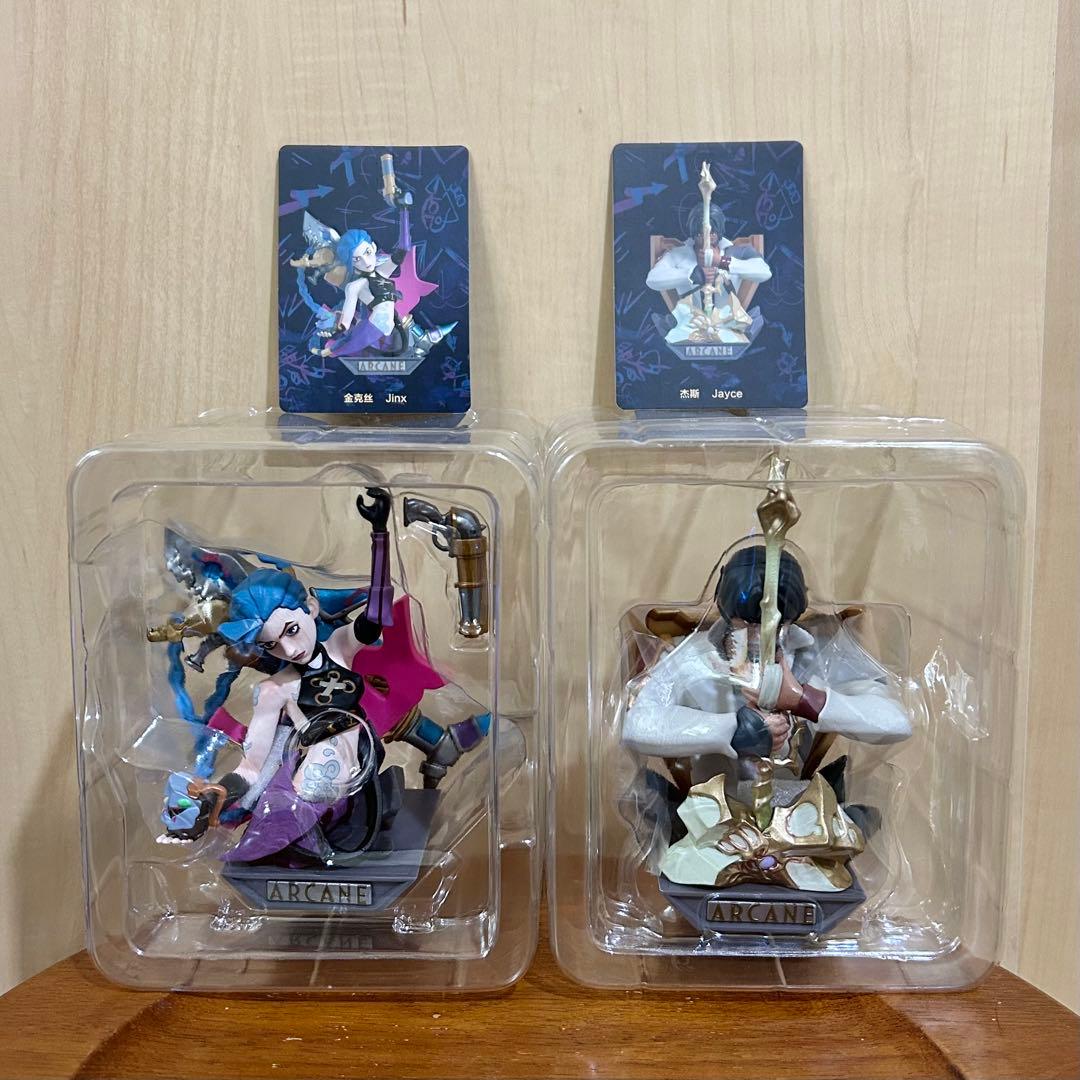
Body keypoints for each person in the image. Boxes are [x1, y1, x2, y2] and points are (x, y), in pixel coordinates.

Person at [158, 488, 489, 865]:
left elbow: (376, 613)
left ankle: (312, 832)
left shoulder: (339, 649)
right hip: (315, 779)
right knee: (303, 785)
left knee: (322, 775)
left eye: (292, 631)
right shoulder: (274, 690)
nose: (288, 650)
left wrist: (380, 533)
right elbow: (252, 765)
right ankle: (295, 840)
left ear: (311, 609)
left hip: (354, 757)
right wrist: (217, 795)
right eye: (271, 645)